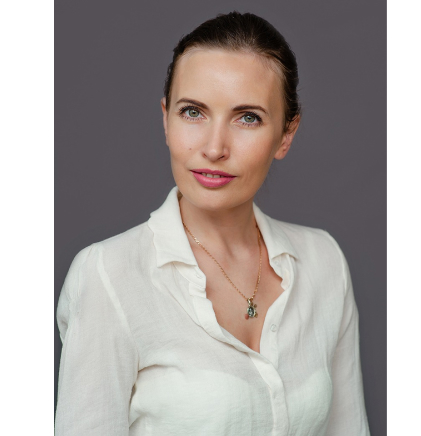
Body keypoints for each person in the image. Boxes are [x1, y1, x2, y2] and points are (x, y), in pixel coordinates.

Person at [55, 11, 370, 436]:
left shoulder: (324, 262)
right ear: (166, 119)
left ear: (286, 134)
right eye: (193, 112)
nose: (215, 147)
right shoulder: (108, 275)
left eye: (248, 117)